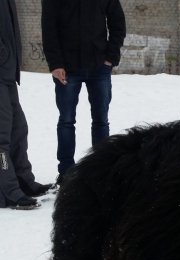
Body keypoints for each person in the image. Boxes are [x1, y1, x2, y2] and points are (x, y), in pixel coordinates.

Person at [41, 0, 126, 182]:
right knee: (66, 121)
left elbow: (118, 22)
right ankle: (66, 173)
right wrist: (55, 64)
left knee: (101, 121)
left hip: (99, 67)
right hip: (67, 68)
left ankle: (100, 170)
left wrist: (111, 57)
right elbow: (48, 27)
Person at [1, 0, 51, 210]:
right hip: (3, 68)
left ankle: (23, 180)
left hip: (7, 72)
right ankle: (8, 190)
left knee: (19, 129)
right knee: (1, 136)